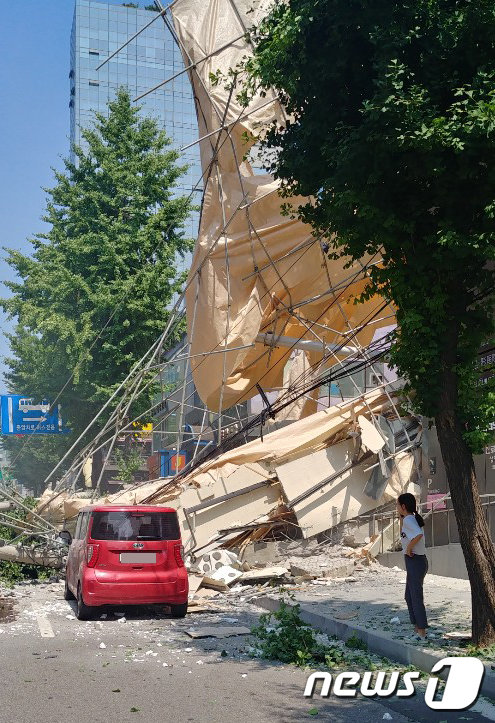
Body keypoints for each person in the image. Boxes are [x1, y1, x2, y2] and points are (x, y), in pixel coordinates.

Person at [397, 492, 429, 640]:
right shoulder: (409, 519)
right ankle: (417, 628)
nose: (396, 508)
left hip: (416, 561)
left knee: (415, 596)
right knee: (409, 596)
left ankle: (421, 631)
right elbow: (405, 536)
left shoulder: (410, 520)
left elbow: (418, 535)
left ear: (403, 506)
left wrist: (409, 548)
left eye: (398, 505)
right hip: (415, 562)